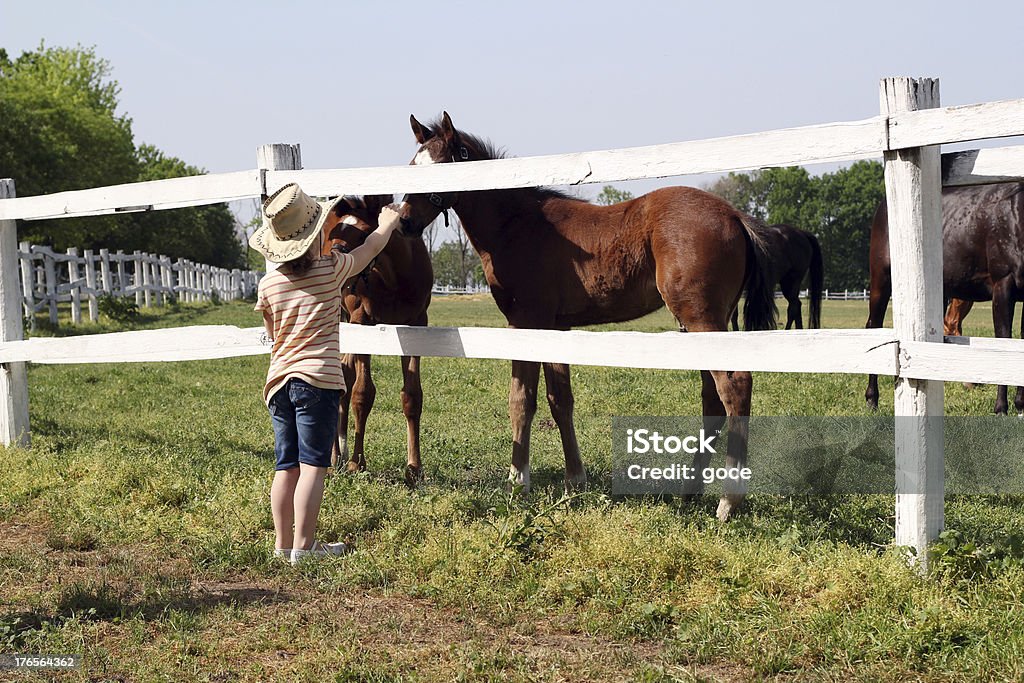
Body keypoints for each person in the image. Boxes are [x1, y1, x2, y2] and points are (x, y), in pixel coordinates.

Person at [249, 183, 404, 564]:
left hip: (278, 384)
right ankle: (305, 547)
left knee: (285, 467)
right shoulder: (330, 270)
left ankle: (282, 545)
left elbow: (272, 331)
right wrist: (386, 222)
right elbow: (369, 250)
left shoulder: (267, 284)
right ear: (316, 235)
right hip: (317, 382)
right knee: (314, 467)